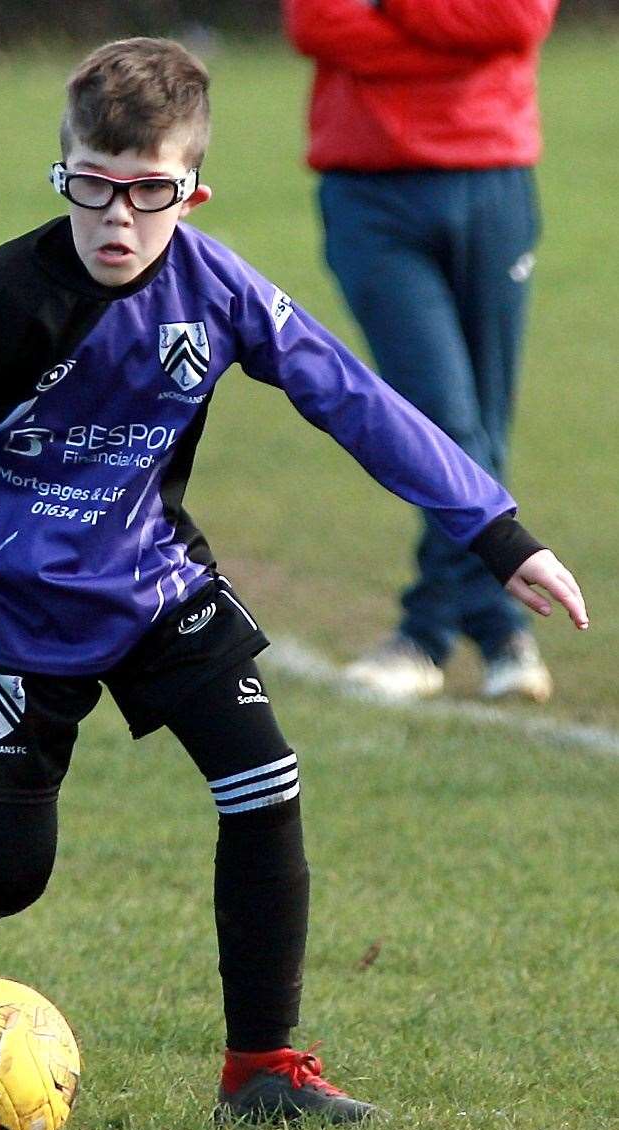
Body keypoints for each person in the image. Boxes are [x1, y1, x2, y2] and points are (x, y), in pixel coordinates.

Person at [0, 37, 587, 1125]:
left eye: (145, 193)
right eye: (91, 188)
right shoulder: (1, 293)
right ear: (63, 171)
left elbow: (351, 397)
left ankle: (261, 1071)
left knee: (265, 785)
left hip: (154, 584)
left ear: (189, 191)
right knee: (12, 871)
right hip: (6, 611)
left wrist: (496, 532)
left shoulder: (218, 289)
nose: (115, 220)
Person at [284, 0, 561, 703]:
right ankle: (473, 632)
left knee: (484, 427)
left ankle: (452, 632)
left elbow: (518, 21)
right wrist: (461, 47)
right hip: (371, 194)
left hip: (493, 179)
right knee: (443, 417)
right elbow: (320, 24)